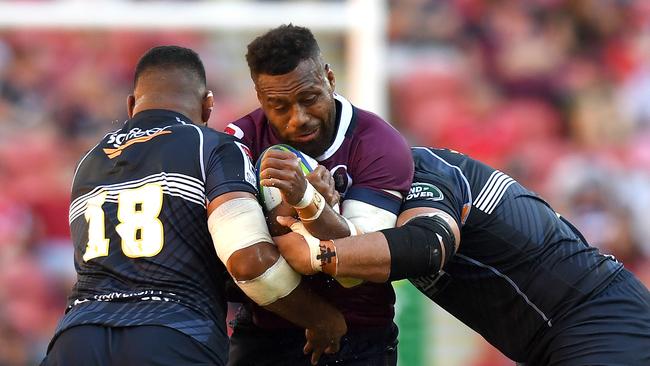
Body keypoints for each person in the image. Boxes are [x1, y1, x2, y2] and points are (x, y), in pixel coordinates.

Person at [42, 45, 346, 366]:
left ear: (132, 104)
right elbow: (248, 262)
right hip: (171, 334)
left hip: (76, 338)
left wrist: (280, 214)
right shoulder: (211, 146)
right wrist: (321, 318)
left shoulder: (88, 162)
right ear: (208, 106)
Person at [276, 146, 650, 366]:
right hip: (556, 336)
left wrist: (316, 255)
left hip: (597, 316)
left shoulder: (414, 171)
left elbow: (429, 243)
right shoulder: (369, 209)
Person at [224, 25, 414, 365]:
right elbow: (237, 254)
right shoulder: (240, 141)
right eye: (278, 106)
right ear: (260, 98)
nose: (299, 118)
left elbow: (358, 268)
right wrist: (297, 206)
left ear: (329, 77)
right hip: (266, 327)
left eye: (310, 98)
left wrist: (308, 205)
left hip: (358, 335)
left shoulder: (378, 144)